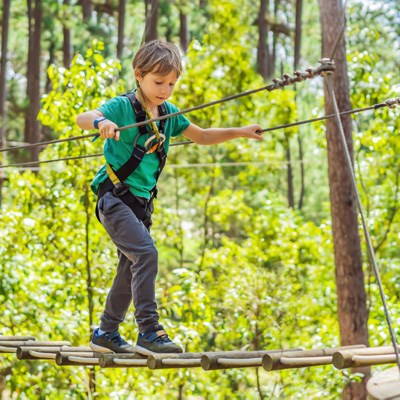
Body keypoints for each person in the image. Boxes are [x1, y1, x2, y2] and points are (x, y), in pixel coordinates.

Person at [76, 40, 263, 355]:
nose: (165, 89)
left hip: (138, 207)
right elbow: (84, 117)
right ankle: (149, 331)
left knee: (130, 264)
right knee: (146, 254)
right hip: (114, 200)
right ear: (139, 75)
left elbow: (201, 136)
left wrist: (240, 131)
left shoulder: (169, 114)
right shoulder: (122, 108)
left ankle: (106, 331)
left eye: (172, 83)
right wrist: (102, 123)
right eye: (158, 82)